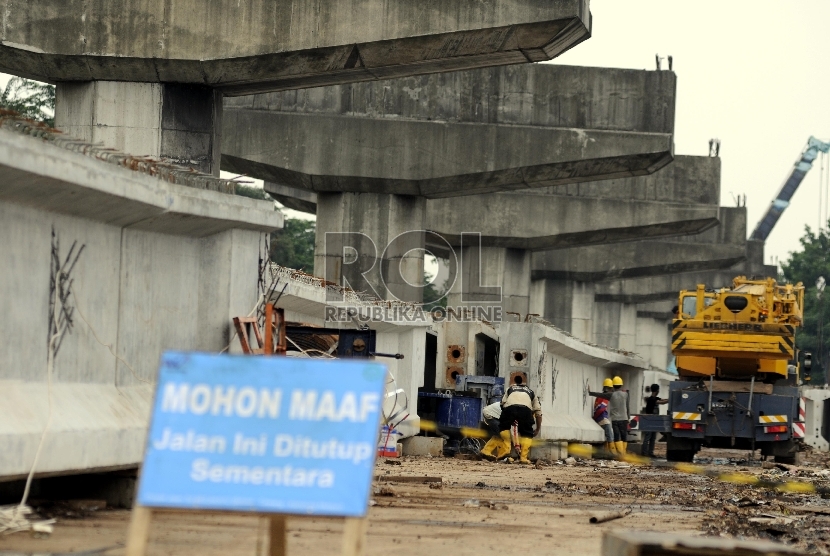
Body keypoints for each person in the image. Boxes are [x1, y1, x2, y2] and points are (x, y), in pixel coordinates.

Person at [479, 376, 542, 464]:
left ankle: (487, 451)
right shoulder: (532, 396)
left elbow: (503, 403)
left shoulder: (510, 390)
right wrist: (517, 445)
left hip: (502, 411)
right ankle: (506, 456)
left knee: (502, 431)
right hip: (491, 414)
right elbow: (514, 429)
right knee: (515, 434)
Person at [592, 376, 630, 454]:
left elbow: (597, 408)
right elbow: (601, 409)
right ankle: (616, 453)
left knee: (612, 436)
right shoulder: (607, 397)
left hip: (605, 418)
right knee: (611, 436)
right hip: (604, 419)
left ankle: (612, 452)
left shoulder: (601, 397)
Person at [640, 384, 668, 458]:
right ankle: (644, 452)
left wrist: (668, 400)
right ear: (657, 390)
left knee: (652, 437)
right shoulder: (652, 400)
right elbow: (662, 402)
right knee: (648, 437)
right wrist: (670, 400)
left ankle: (650, 452)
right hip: (649, 420)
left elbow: (663, 400)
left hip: (653, 421)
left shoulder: (655, 398)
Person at [590, 379, 615, 454]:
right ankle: (613, 453)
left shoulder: (598, 397)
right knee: (610, 436)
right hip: (602, 419)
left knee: (607, 436)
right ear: (610, 388)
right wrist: (596, 417)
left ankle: (607, 452)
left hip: (599, 418)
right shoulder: (605, 398)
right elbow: (601, 409)